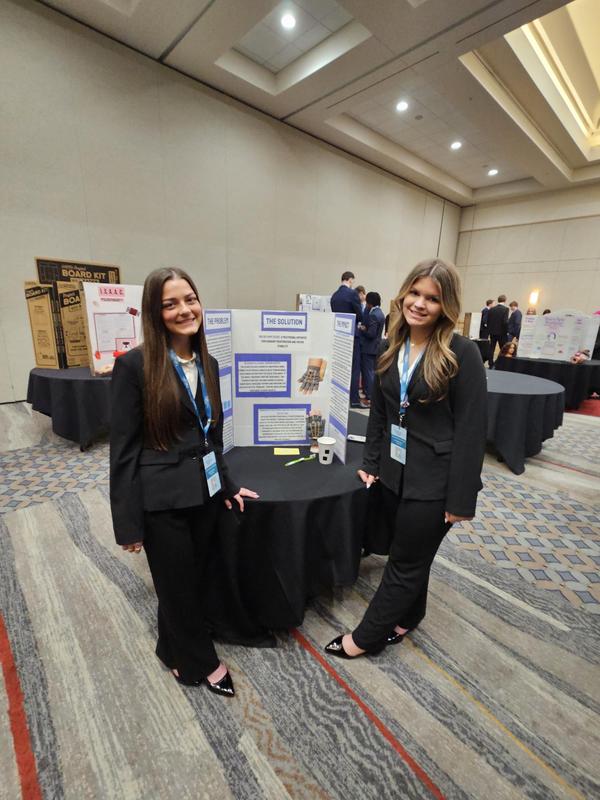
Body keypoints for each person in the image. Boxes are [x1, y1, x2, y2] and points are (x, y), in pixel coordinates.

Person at [324, 259, 486, 659]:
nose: (420, 304)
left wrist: (460, 500)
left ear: (446, 304)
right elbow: (380, 411)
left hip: (436, 481)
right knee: (411, 552)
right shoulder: (390, 344)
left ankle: (366, 638)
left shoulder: (462, 353)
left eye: (432, 298)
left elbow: (471, 431)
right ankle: (411, 613)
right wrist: (373, 462)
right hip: (396, 471)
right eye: (415, 293)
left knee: (405, 563)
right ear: (403, 294)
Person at [110, 267, 258, 697]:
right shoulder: (134, 366)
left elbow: (212, 434)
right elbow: (122, 452)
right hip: (162, 501)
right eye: (170, 303)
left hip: (204, 492)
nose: (184, 310)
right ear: (155, 313)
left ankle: (168, 646)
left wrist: (227, 483)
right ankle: (197, 664)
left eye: (189, 299)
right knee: (176, 584)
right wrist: (128, 523)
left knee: (189, 579)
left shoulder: (208, 362)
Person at [330, 271, 363, 408]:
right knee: (355, 368)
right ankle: (354, 400)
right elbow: (359, 315)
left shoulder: (334, 296)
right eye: (352, 281)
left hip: (339, 336)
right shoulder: (352, 294)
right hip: (352, 336)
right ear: (350, 280)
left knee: (340, 367)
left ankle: (339, 397)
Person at [358, 291, 385, 405]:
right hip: (376, 347)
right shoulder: (381, 313)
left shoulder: (373, 314)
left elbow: (371, 334)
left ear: (369, 303)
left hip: (369, 348)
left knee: (368, 373)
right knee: (373, 373)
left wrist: (362, 328)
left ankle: (370, 396)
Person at [487, 294, 509, 367]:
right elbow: (505, 322)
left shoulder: (492, 309)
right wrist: (507, 331)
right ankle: (502, 363)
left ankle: (490, 363)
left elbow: (488, 321)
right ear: (505, 300)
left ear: (498, 300)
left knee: (491, 348)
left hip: (492, 332)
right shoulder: (506, 309)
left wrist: (489, 330)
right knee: (503, 348)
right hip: (502, 333)